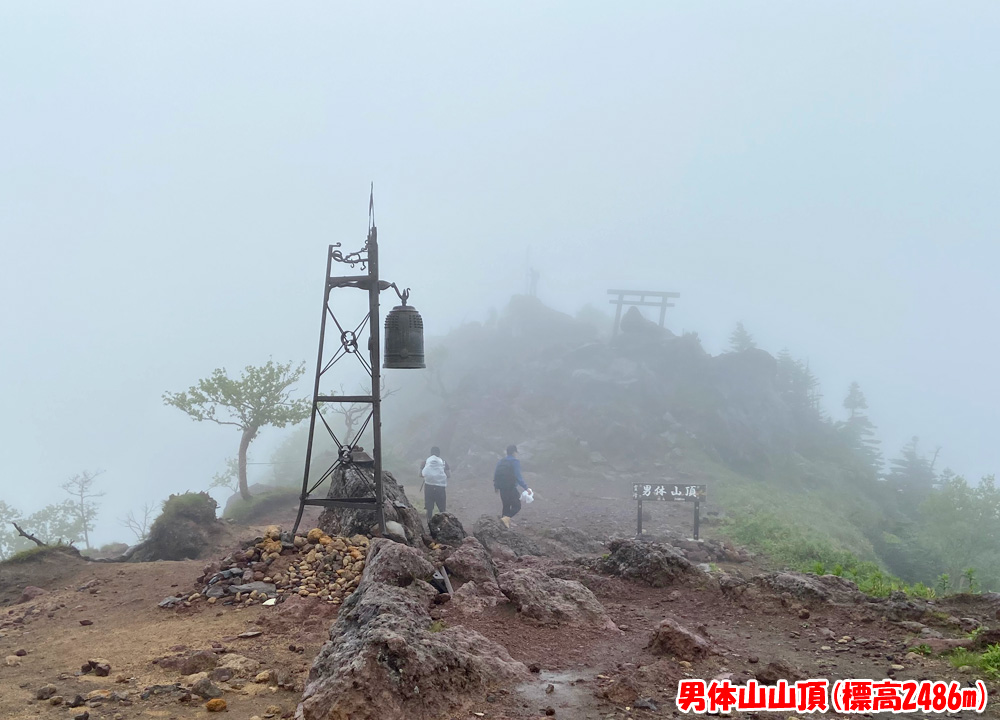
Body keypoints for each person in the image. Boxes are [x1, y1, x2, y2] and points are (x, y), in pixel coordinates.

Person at [493, 444, 530, 528]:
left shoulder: (501, 461)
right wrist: (526, 487)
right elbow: (518, 476)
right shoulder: (515, 462)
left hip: (502, 487)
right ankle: (506, 519)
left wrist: (496, 486)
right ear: (514, 452)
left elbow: (495, 474)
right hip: (511, 487)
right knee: (517, 506)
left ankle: (504, 524)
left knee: (506, 505)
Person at [420, 446, 450, 524]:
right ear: (439, 453)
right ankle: (444, 524)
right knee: (442, 508)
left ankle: (429, 523)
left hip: (429, 486)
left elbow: (421, 474)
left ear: (431, 453)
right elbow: (448, 475)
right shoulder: (443, 462)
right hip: (440, 487)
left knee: (429, 507)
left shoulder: (425, 462)